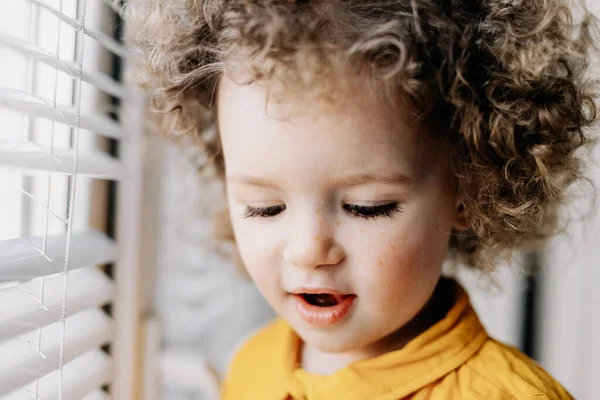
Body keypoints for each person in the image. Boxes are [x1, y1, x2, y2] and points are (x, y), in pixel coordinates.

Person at [126, 0, 598, 398]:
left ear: (470, 187)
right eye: (264, 207)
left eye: (366, 207)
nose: (308, 249)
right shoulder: (253, 367)